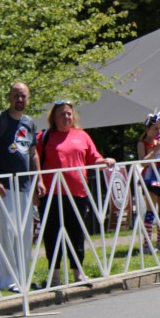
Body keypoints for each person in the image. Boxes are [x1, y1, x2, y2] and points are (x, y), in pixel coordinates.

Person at [36, 101, 115, 283]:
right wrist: (36, 187)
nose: (66, 117)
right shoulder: (44, 137)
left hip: (78, 192)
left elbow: (93, 158)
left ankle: (78, 273)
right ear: (54, 118)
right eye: (62, 114)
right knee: (52, 234)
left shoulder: (82, 135)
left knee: (77, 233)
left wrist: (105, 161)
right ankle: (54, 275)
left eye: (69, 114)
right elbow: (35, 162)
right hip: (52, 194)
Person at [0, 82, 45, 293]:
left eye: (23, 96)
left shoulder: (29, 123)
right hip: (4, 187)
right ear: (9, 97)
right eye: (16, 95)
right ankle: (6, 280)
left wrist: (38, 179)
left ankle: (23, 277)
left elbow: (32, 153)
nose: (20, 100)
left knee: (24, 234)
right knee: (5, 233)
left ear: (28, 98)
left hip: (24, 186)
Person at [137, 112, 160, 252]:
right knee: (151, 209)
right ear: (147, 129)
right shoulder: (142, 143)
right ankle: (147, 244)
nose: (158, 132)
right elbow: (142, 162)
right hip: (150, 177)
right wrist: (156, 149)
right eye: (155, 129)